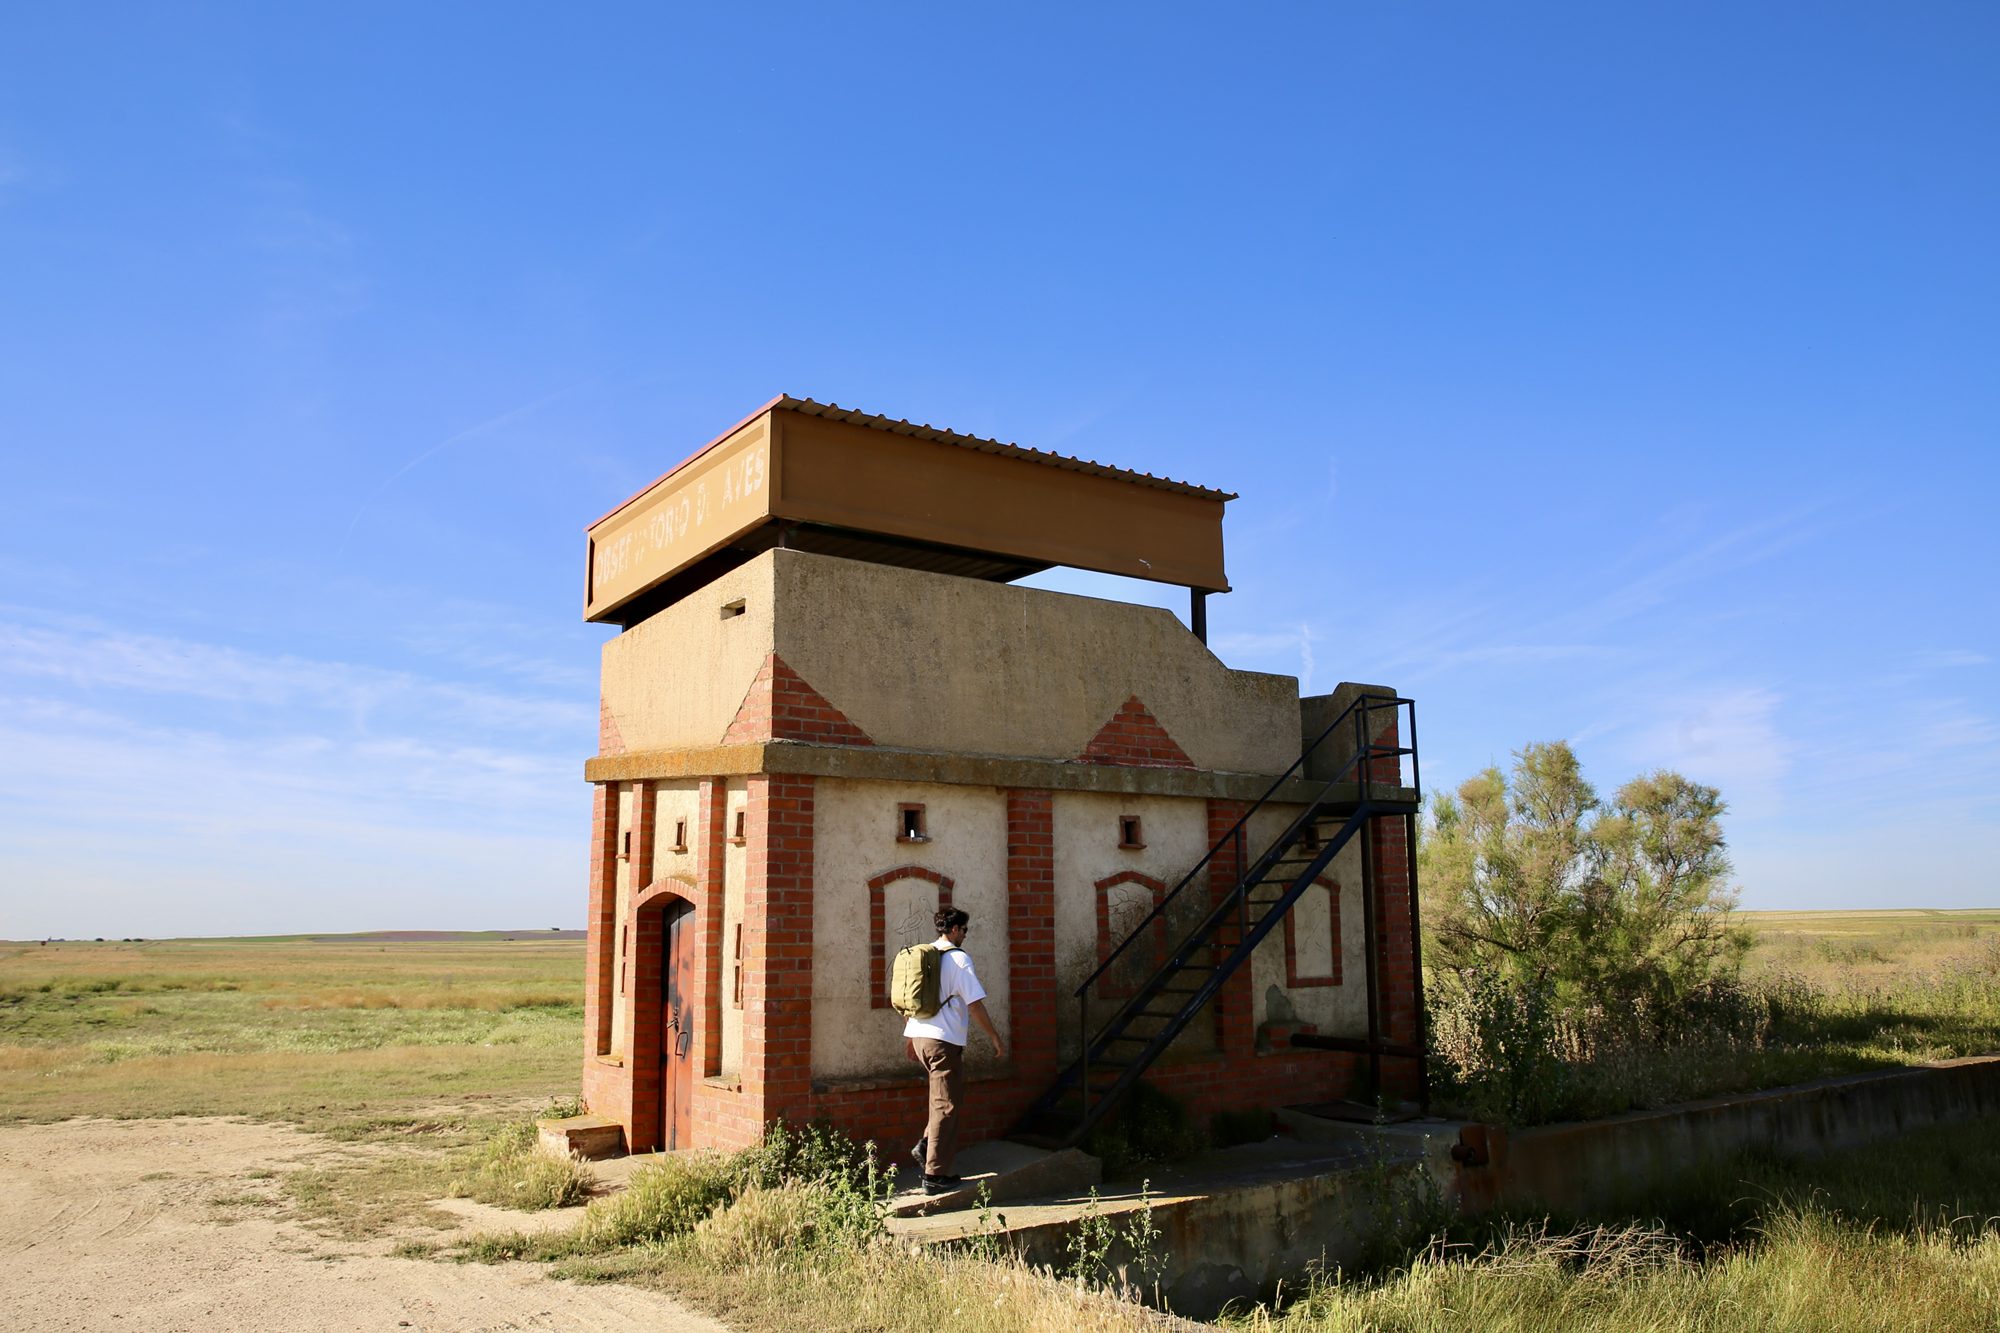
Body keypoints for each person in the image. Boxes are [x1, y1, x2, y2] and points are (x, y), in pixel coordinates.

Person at [903, 906, 1006, 1194]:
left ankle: (926, 1146)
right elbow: (974, 1003)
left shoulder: (924, 955)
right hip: (942, 1041)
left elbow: (912, 999)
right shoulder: (959, 960)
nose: (965, 935)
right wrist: (994, 1037)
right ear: (955, 929)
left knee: (949, 1097)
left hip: (921, 1037)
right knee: (946, 1105)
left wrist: (909, 1038)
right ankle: (934, 1175)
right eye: (965, 930)